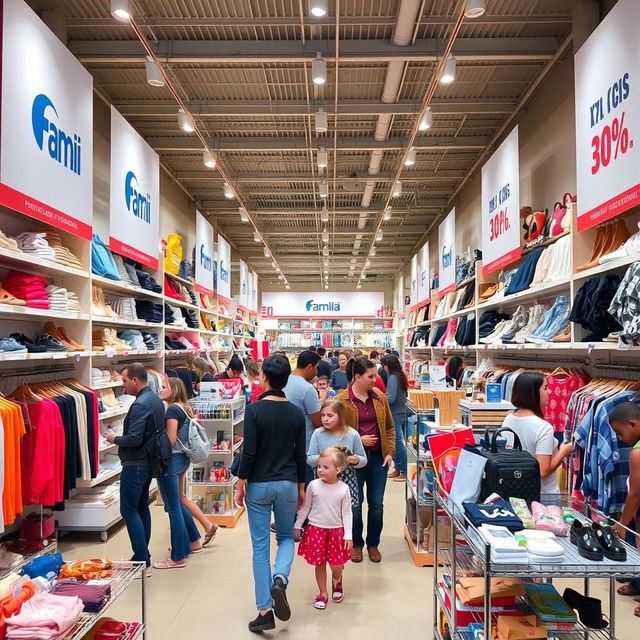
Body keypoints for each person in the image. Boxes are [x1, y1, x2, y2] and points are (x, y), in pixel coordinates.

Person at [235, 355, 306, 633]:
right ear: (286, 379)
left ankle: (264, 610)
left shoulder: (254, 410)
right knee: (287, 536)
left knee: (261, 547)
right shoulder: (296, 412)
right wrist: (301, 487)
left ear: (264, 377)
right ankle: (280, 579)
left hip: (259, 485)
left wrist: (241, 481)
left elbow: (249, 452)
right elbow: (300, 454)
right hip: (288, 483)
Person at [105, 363, 165, 576]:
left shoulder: (140, 404)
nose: (123, 385)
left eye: (124, 380)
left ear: (135, 380)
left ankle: (141, 559)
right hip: (148, 462)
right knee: (140, 508)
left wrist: (114, 438)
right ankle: (142, 556)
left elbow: (134, 439)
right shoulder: (155, 399)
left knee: (129, 510)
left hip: (136, 464)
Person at [336, 357, 395, 563]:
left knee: (376, 504)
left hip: (378, 459)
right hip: (353, 461)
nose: (375, 379)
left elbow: (389, 427)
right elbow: (335, 433)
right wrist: (357, 440)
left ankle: (373, 544)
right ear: (358, 377)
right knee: (354, 504)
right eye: (371, 376)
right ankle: (356, 545)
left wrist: (390, 452)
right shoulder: (342, 400)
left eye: (376, 374)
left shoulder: (379, 397)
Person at [153, 378, 211, 569]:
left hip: (172, 460)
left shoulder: (171, 410)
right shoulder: (184, 407)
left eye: (164, 386)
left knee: (173, 508)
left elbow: (169, 440)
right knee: (178, 500)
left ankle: (177, 556)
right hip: (183, 460)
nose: (160, 389)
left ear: (174, 389)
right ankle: (193, 540)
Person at [295, 447, 353, 610]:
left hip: (336, 532)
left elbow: (347, 514)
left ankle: (337, 578)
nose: (320, 470)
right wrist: (298, 524)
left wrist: (348, 535)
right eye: (319, 466)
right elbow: (306, 508)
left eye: (325, 467)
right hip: (316, 530)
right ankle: (322, 593)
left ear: (338, 469)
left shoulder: (343, 489)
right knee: (319, 563)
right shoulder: (313, 485)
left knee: (336, 564)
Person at [501, 372, 572, 495]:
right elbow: (542, 471)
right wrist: (563, 452)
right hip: (542, 496)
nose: (549, 392)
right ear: (532, 393)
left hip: (515, 489)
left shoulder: (509, 419)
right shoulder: (543, 428)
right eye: (545, 388)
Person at [307, 400, 367, 507]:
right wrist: (327, 458)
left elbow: (363, 459)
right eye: (323, 415)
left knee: (348, 514)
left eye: (330, 416)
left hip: (347, 481)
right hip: (324, 482)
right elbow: (310, 459)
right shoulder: (318, 434)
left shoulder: (352, 434)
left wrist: (356, 460)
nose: (325, 419)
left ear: (340, 416)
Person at [609, 402, 640, 606]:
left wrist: (622, 524)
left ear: (632, 424)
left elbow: (635, 494)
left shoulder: (637, 453)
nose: (620, 439)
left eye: (620, 433)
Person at [283, 351, 322, 470]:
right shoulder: (307, 389)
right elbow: (318, 422)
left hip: (285, 446)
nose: (316, 372)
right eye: (316, 368)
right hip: (305, 448)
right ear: (310, 367)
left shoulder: (283, 381)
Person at [381, 354, 408, 482]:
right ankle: (398, 469)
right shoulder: (400, 376)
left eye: (384, 365)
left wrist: (380, 397)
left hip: (396, 413)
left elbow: (391, 398)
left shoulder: (392, 377)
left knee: (397, 443)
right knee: (397, 443)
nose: (383, 367)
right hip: (401, 412)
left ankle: (404, 471)